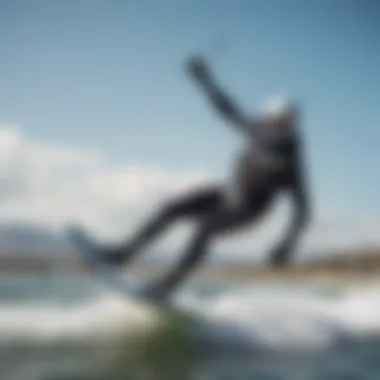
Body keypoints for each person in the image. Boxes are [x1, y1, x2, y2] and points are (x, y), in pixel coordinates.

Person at [88, 55, 311, 299]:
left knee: (204, 229)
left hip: (248, 210)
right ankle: (123, 254)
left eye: (287, 122)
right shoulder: (257, 130)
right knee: (172, 208)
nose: (281, 126)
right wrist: (205, 80)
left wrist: (287, 244)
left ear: (293, 125)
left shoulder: (291, 162)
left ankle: (166, 287)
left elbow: (302, 209)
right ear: (270, 117)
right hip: (228, 193)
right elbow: (228, 108)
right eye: (277, 120)